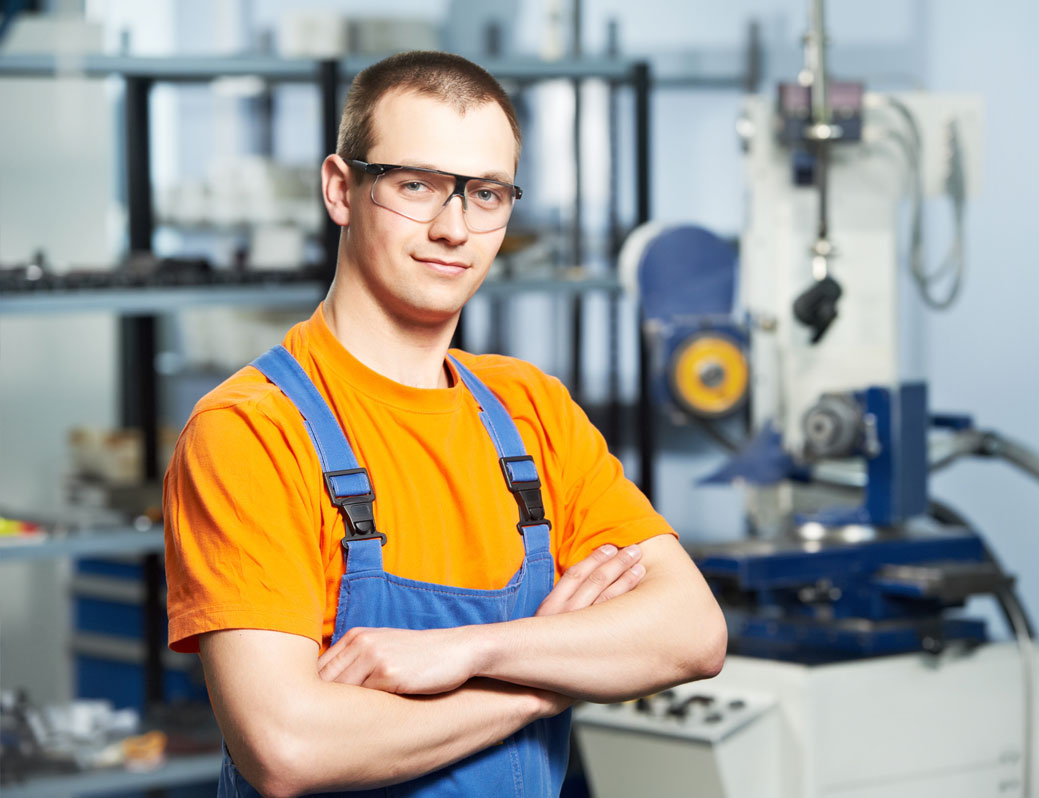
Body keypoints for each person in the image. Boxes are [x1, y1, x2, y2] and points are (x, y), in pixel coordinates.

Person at [164, 50, 726, 798]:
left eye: (485, 193)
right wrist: (542, 684)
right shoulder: (251, 434)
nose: (454, 228)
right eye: (416, 186)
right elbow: (287, 747)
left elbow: (692, 633)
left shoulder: (531, 411)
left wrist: (468, 651)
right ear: (341, 189)